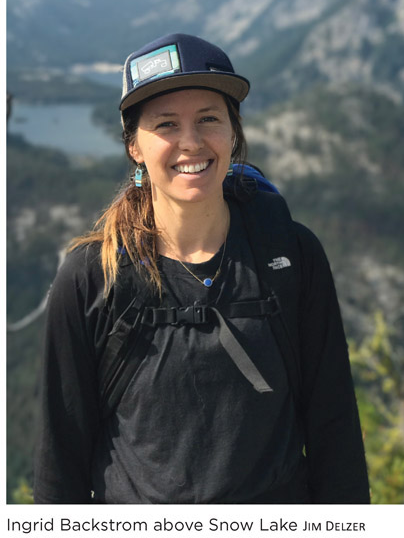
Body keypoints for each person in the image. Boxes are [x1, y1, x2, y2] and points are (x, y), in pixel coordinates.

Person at [33, 33, 370, 504]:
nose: (190, 142)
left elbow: (336, 437)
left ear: (234, 132)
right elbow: (59, 466)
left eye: (208, 119)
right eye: (166, 124)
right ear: (135, 147)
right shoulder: (92, 277)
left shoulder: (292, 256)